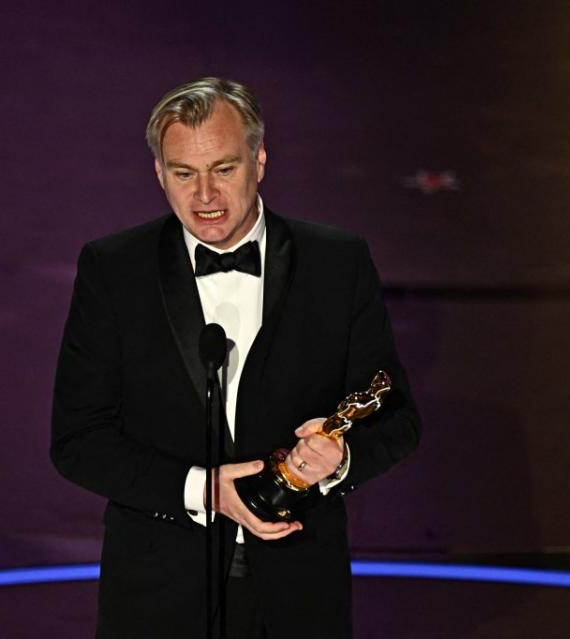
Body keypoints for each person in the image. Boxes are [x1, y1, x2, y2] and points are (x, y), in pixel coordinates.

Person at [50, 77, 420, 638]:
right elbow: (78, 441)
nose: (204, 197)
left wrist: (337, 461)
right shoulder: (114, 269)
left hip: (299, 591)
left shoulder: (336, 263)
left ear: (259, 160)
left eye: (223, 169)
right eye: (183, 174)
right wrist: (205, 489)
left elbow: (396, 417)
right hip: (157, 594)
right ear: (158, 173)